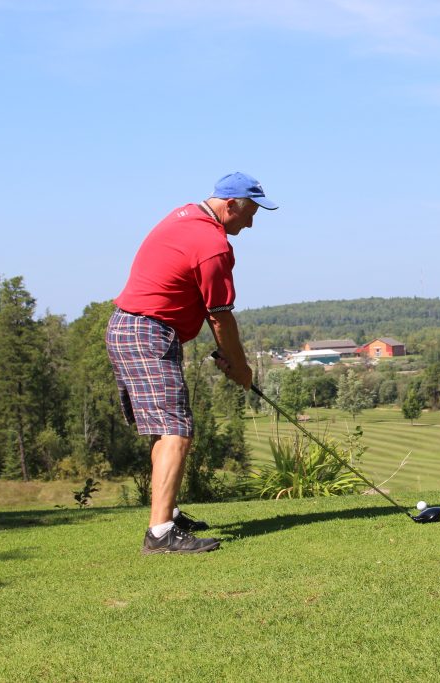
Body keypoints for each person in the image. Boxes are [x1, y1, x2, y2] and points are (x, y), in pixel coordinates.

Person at [105, 172, 276, 555]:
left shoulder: (185, 215)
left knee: (165, 429)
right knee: (176, 429)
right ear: (230, 204)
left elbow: (186, 293)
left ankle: (168, 513)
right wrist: (240, 366)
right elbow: (220, 315)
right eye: (249, 213)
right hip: (145, 331)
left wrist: (225, 355)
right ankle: (161, 532)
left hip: (132, 327)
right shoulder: (212, 244)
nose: (250, 223)